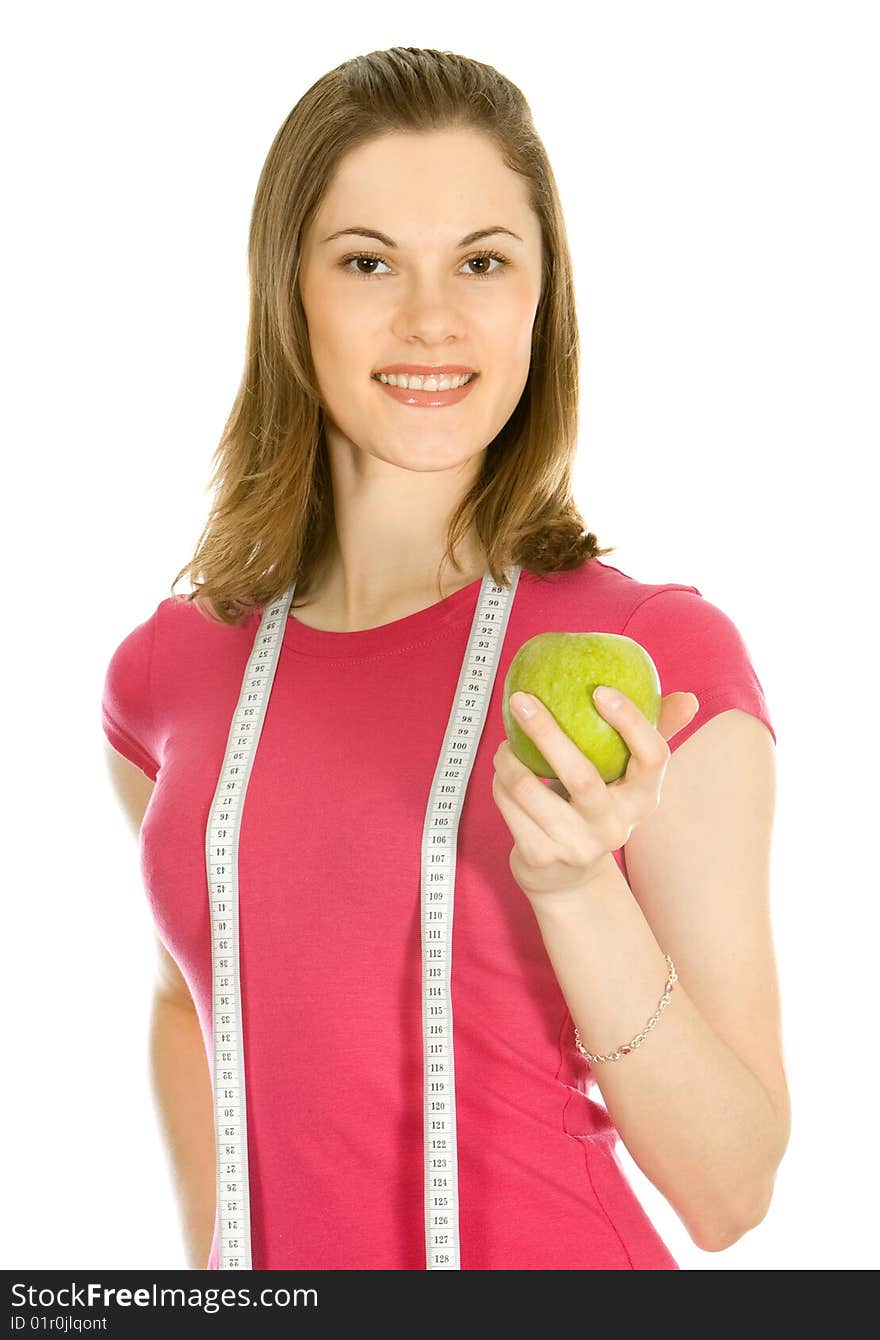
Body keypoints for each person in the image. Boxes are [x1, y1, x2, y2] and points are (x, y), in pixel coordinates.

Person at [101, 46, 790, 1271]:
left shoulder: (654, 658)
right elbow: (189, 1002)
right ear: (287, 293)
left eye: (482, 261)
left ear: (540, 296)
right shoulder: (170, 674)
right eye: (368, 262)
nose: (432, 317)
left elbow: (731, 1190)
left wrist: (578, 890)